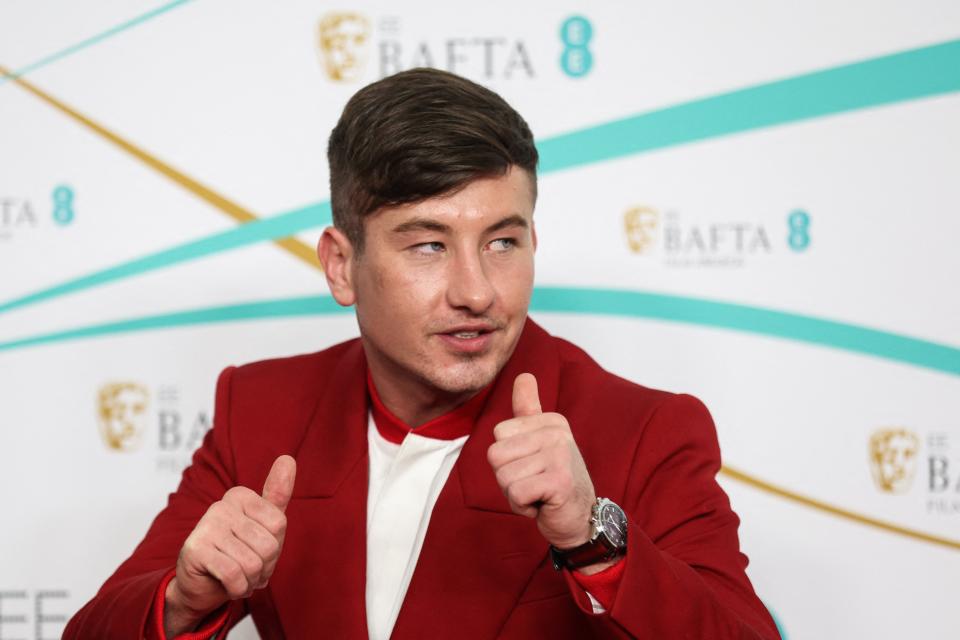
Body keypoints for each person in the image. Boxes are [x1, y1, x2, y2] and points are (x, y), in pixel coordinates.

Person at [64, 68, 781, 640]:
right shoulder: (260, 409)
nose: (477, 292)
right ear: (341, 266)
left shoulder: (645, 429)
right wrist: (184, 599)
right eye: (429, 245)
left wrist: (596, 539)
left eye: (503, 241)